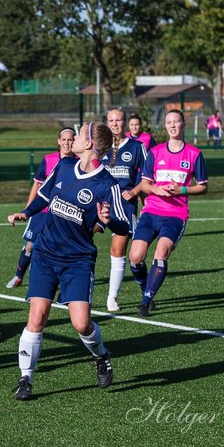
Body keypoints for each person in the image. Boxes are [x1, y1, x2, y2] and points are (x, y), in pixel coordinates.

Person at [5, 121, 119, 401]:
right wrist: (25, 212)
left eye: (80, 135)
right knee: (37, 317)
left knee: (81, 324)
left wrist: (108, 220)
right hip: (45, 254)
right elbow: (44, 197)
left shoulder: (107, 184)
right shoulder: (64, 166)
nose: (74, 139)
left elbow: (124, 226)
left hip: (77, 261)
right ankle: (25, 378)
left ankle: (101, 356)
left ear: (90, 144)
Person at [128, 110, 209, 317]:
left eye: (176, 122)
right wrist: (156, 189)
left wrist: (182, 190)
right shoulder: (155, 152)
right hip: (151, 210)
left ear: (184, 124)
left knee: (161, 252)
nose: (173, 126)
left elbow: (202, 186)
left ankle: (145, 302)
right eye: (169, 122)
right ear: (165, 126)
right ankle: (146, 287)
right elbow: (145, 184)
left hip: (176, 214)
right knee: (135, 257)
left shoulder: (194, 154)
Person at [6, 127, 77, 289]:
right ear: (59, 141)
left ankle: (60, 279)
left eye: (70, 140)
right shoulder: (49, 159)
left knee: (60, 247)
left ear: (75, 141)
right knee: (30, 244)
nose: (67, 143)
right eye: (64, 140)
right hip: (42, 210)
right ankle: (18, 276)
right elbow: (37, 184)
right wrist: (29, 209)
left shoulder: (79, 162)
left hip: (63, 212)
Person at [98, 107, 145, 313]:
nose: (115, 124)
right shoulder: (99, 147)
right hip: (99, 203)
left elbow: (147, 178)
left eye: (119, 120)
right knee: (79, 240)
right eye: (111, 120)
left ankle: (112, 297)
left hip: (124, 205)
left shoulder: (136, 147)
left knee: (117, 250)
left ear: (124, 122)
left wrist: (136, 194)